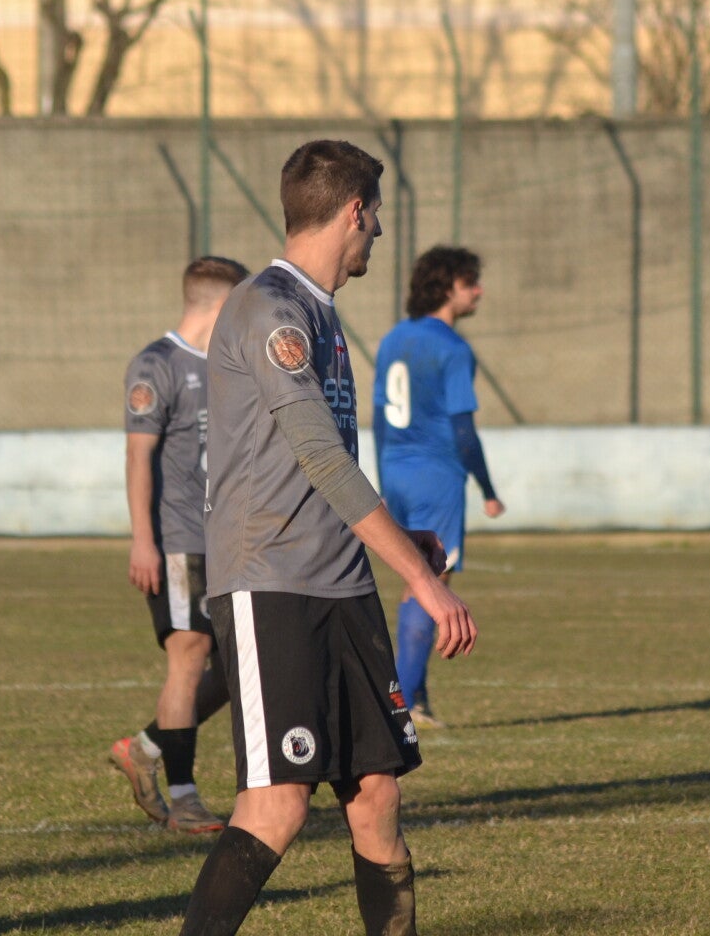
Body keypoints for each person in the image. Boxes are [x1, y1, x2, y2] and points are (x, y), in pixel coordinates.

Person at [180, 139, 476, 936]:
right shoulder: (273, 309)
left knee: (376, 795)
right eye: (375, 215)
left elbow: (320, 468)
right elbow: (319, 453)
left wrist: (403, 539)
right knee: (277, 806)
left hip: (340, 581)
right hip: (272, 582)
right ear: (353, 211)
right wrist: (423, 579)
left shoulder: (318, 310)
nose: (379, 230)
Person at [109, 256, 251, 834]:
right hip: (178, 539)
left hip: (227, 538)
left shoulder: (230, 365)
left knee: (237, 664)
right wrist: (143, 541)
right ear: (221, 306)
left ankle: (145, 747)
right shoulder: (158, 364)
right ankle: (185, 798)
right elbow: (137, 456)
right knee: (190, 656)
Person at [373, 245, 505, 728]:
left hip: (397, 470)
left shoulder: (394, 338)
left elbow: (380, 418)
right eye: (470, 283)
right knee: (429, 582)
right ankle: (403, 704)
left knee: (415, 577)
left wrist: (383, 481)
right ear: (447, 289)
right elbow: (463, 430)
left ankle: (417, 698)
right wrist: (487, 489)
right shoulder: (452, 348)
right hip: (437, 474)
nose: (479, 291)